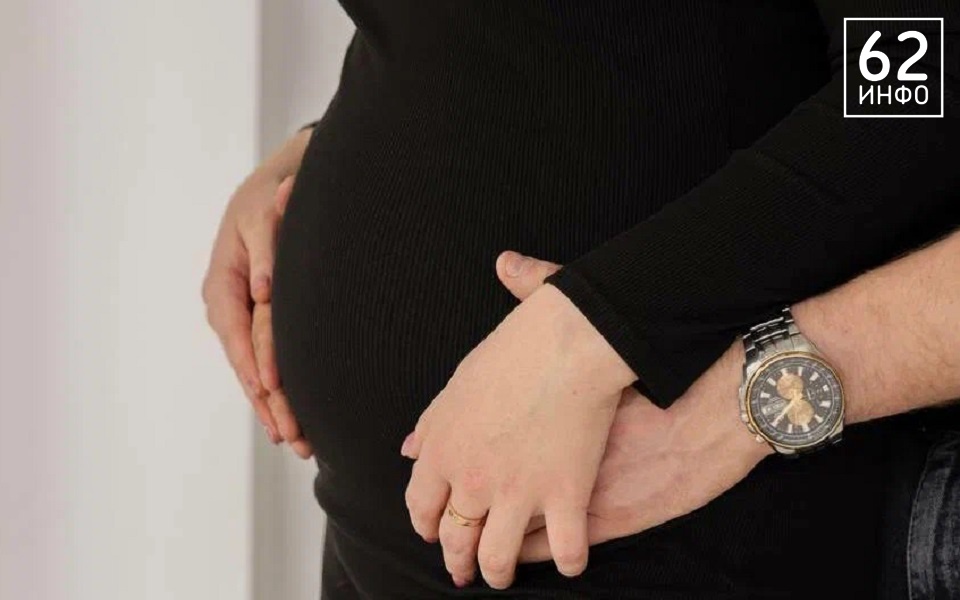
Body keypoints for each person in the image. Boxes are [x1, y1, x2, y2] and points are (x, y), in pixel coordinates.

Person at [202, 2, 960, 598]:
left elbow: (915, 81)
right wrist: (324, 148)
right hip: (374, 538)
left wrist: (607, 321)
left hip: (675, 541)